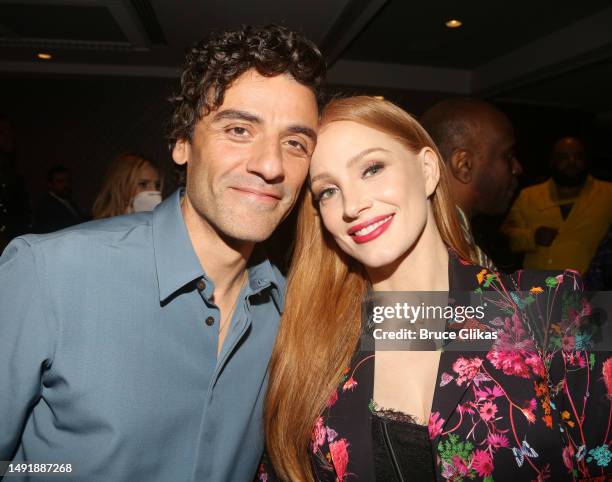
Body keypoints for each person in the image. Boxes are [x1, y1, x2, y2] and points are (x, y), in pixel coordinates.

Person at [0, 25, 324, 481]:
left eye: (295, 143)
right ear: (182, 144)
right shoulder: (49, 274)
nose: (270, 165)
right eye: (238, 129)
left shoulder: (292, 314)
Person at [260, 97, 610, 481]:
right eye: (328, 190)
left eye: (372, 168)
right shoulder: (311, 345)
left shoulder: (559, 305)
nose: (353, 204)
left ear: (427, 169)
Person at [420, 98, 523, 270]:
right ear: (464, 165)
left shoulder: (446, 237)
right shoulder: (447, 252)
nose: (517, 168)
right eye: (508, 156)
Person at [502, 136, 612, 274]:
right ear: (551, 161)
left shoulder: (608, 195)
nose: (572, 162)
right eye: (563, 157)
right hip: (539, 289)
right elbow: (507, 236)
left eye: (578, 156)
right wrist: (532, 237)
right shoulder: (528, 196)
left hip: (590, 291)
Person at [92, 152, 163, 219]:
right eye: (143, 184)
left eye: (157, 186)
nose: (153, 191)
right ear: (121, 187)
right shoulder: (100, 229)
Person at [32, 165, 83, 233]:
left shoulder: (68, 201)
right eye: (60, 181)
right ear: (50, 184)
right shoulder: (46, 206)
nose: (66, 185)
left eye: (68, 180)